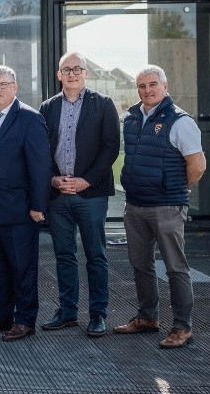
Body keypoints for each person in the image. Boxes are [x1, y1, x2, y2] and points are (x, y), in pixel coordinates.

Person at [114, 65, 206, 349]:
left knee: (175, 267)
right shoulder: (131, 119)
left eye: (153, 84)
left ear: (165, 86)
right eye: (141, 86)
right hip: (135, 205)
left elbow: (198, 165)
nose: (147, 90)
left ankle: (182, 327)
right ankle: (147, 318)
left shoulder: (180, 121)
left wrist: (178, 188)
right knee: (141, 265)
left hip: (166, 206)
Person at [39, 53, 120, 337]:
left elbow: (111, 147)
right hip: (57, 194)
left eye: (77, 69)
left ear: (85, 73)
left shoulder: (104, 104)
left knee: (96, 255)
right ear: (59, 75)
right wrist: (51, 178)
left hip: (91, 193)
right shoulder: (47, 107)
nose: (72, 73)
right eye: (66, 69)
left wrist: (87, 181)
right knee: (64, 255)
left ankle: (98, 314)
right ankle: (68, 311)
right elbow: (40, 150)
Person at [0, 65, 51, 342]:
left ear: (14, 86)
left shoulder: (30, 118)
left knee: (22, 269)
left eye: (3, 84)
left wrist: (39, 206)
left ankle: (25, 320)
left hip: (18, 210)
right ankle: (1, 315)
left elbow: (40, 167)